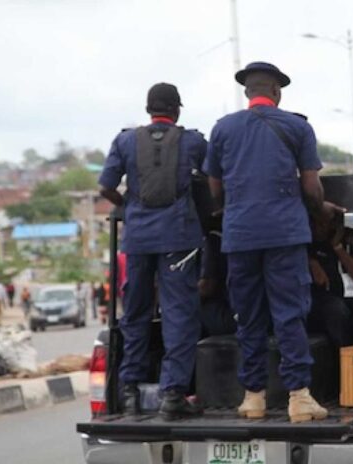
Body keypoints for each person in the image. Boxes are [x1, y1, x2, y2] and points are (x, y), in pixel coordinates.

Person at [204, 61, 337, 423]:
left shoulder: (223, 129)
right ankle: (298, 398)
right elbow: (311, 189)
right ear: (277, 92)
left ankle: (253, 398)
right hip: (284, 235)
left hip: (240, 235)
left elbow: (214, 190)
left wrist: (234, 210)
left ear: (247, 92)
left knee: (248, 316)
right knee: (289, 315)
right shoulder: (297, 127)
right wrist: (322, 208)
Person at [99, 82, 207, 420]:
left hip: (137, 240)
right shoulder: (193, 141)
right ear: (177, 110)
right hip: (178, 238)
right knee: (179, 315)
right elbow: (214, 180)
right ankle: (172, 394)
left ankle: (130, 391)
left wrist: (127, 207)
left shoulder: (125, 140)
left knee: (135, 312)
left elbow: (105, 186)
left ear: (149, 110)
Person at [308, 212, 353, 347]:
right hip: (329, 297)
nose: (319, 228)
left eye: (323, 223)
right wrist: (311, 262)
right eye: (316, 224)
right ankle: (345, 362)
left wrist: (338, 248)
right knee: (336, 312)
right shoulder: (310, 244)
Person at [198, 231, 237, 337]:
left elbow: (206, 287)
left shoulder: (212, 240)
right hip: (249, 314)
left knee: (182, 307)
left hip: (226, 315)